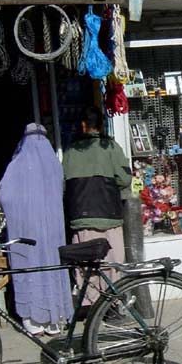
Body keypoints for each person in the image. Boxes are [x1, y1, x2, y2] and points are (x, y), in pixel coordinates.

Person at [0, 123, 73, 337]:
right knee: (51, 266)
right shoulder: (53, 164)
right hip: (52, 231)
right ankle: (54, 320)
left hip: (26, 232)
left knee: (29, 267)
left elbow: (5, 195)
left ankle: (33, 320)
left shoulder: (18, 164)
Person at [62, 106, 132, 302]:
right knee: (113, 263)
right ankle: (112, 304)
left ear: (83, 126)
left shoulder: (70, 151)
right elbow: (125, 179)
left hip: (81, 217)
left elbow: (63, 184)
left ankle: (91, 305)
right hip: (109, 214)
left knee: (86, 266)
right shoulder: (110, 147)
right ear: (101, 126)